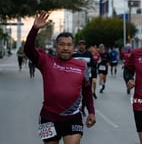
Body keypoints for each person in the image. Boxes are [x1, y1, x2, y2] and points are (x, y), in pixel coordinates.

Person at [24, 11, 96, 144]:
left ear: (73, 48)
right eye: (62, 44)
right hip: (48, 116)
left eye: (69, 45)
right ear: (56, 47)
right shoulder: (46, 61)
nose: (65, 48)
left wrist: (91, 111)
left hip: (73, 116)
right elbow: (28, 50)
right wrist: (34, 29)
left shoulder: (82, 66)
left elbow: (86, 90)